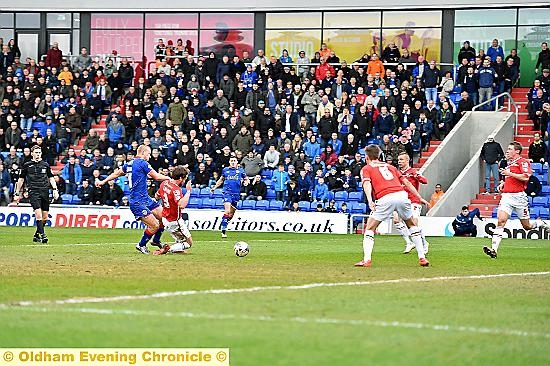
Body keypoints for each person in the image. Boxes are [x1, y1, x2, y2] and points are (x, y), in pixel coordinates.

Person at [355, 145, 429, 268]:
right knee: (411, 224)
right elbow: (406, 182)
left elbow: (367, 183)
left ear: (367, 157)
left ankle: (366, 260)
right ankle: (422, 257)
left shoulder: (366, 168)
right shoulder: (391, 167)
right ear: (379, 156)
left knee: (370, 228)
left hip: (385, 197)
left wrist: (370, 200)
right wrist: (419, 197)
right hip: (402, 195)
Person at [96, 145, 171, 254]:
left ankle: (156, 240)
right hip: (137, 201)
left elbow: (117, 173)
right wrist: (169, 178)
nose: (149, 156)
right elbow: (156, 177)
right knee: (154, 225)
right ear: (143, 152)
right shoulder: (142, 163)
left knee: (163, 217)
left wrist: (103, 181)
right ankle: (141, 245)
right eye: (148, 154)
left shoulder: (129, 164)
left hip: (145, 198)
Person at [484, 142, 550, 259]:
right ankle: (494, 249)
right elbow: (511, 179)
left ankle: (540, 223)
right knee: (501, 221)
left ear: (517, 151)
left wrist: (510, 173)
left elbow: (525, 177)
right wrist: (503, 183)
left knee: (527, 226)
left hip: (519, 198)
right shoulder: (509, 164)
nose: (507, 151)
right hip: (507, 197)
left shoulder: (522, 162)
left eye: (510, 149)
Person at [13, 145, 60, 243]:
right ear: (32, 153)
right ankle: (43, 235)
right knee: (38, 214)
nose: (38, 154)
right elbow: (21, 180)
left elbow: (51, 177)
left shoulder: (45, 165)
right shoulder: (27, 165)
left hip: (45, 191)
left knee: (45, 217)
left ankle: (36, 235)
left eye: (39, 152)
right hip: (33, 191)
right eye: (36, 152)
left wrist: (55, 189)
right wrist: (17, 193)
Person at [394, 152, 430, 254]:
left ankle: (424, 243)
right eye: (398, 160)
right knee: (396, 220)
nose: (399, 162)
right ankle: (409, 242)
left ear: (407, 160)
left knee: (414, 223)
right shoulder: (398, 173)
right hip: (402, 201)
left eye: (401, 160)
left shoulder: (413, 171)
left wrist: (418, 176)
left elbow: (425, 181)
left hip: (413, 201)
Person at [153, 166, 194, 255]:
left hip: (165, 218)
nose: (184, 181)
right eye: (185, 178)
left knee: (181, 247)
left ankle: (176, 249)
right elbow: (181, 205)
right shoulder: (176, 189)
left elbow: (157, 196)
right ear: (180, 178)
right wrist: (188, 192)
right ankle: (168, 248)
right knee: (189, 243)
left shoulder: (165, 183)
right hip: (174, 220)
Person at [210, 155, 248, 238]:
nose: (233, 162)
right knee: (227, 211)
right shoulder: (225, 170)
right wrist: (214, 187)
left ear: (237, 162)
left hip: (236, 194)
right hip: (227, 193)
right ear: (229, 162)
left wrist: (246, 182)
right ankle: (223, 231)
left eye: (234, 160)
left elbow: (246, 179)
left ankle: (224, 222)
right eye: (231, 161)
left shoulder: (241, 171)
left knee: (231, 215)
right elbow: (221, 180)